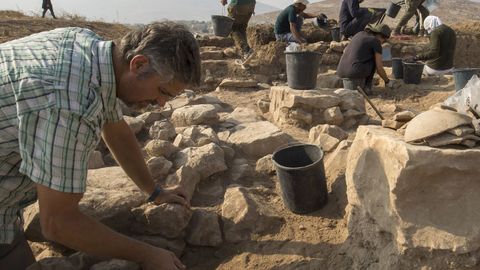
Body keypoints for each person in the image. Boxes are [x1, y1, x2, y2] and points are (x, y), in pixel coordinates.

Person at [0, 22, 201, 270]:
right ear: (138, 65)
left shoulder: (90, 49)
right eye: (162, 91)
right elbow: (57, 222)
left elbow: (115, 129)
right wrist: (147, 255)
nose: (160, 104)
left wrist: (155, 191)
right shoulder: (71, 103)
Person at [337, 24, 393, 94]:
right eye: (383, 39)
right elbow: (379, 68)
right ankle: (367, 88)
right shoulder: (375, 41)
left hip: (341, 71)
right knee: (374, 59)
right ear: (380, 35)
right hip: (354, 73)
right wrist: (387, 81)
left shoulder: (359, 34)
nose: (383, 41)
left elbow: (345, 51)